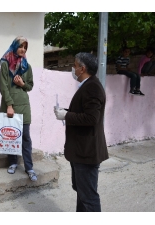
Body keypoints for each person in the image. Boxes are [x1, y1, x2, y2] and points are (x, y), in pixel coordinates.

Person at [54, 52, 109, 212]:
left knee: (89, 198)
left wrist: (67, 115)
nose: (73, 68)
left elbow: (92, 118)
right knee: (83, 195)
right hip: (81, 151)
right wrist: (67, 112)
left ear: (82, 68)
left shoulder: (92, 87)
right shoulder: (88, 85)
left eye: (75, 65)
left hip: (86, 152)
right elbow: (85, 112)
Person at [0, 36, 37, 182]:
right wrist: (9, 104)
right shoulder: (5, 64)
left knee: (26, 138)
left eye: (25, 47)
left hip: (24, 105)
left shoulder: (27, 66)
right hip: (10, 105)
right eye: (21, 46)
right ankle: (13, 163)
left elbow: (30, 86)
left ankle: (29, 167)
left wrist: (22, 84)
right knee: (10, 137)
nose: (23, 50)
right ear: (15, 46)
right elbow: (3, 86)